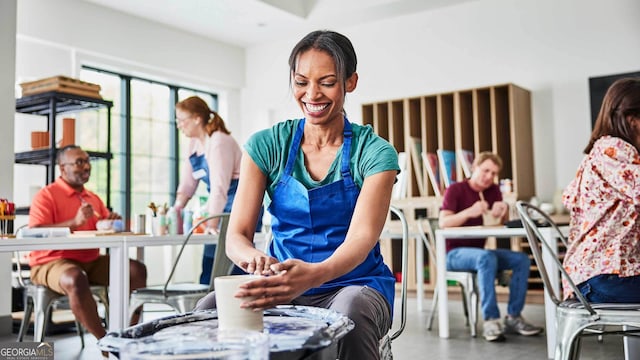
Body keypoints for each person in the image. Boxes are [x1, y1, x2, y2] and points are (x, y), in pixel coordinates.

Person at [194, 30, 399, 359]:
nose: (312, 94)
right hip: (282, 284)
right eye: (302, 81)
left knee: (351, 310)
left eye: (327, 81)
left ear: (350, 81)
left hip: (353, 284)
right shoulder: (266, 145)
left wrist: (315, 275)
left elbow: (362, 238)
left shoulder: (374, 153)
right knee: (209, 309)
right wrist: (252, 258)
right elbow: (238, 234)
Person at [28, 145, 147, 341]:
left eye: (88, 161)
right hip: (50, 262)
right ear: (62, 168)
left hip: (90, 260)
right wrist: (73, 223)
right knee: (76, 278)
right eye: (79, 162)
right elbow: (34, 232)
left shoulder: (93, 198)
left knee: (135, 270)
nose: (86, 166)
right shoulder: (46, 195)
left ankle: (128, 335)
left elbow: (102, 227)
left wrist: (111, 221)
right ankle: (106, 343)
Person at [439, 151, 542, 342]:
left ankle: (513, 316)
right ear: (474, 168)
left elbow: (498, 223)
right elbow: (443, 222)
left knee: (521, 259)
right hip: (453, 254)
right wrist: (470, 212)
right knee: (486, 258)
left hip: (480, 253)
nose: (489, 177)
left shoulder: (493, 190)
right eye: (485, 171)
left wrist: (503, 212)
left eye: (493, 173)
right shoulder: (455, 189)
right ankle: (491, 320)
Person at [562, 77, 640, 303]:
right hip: (602, 275)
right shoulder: (613, 149)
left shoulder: (606, 151)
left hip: (602, 273)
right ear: (632, 119)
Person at [173, 96, 261, 285]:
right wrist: (175, 210)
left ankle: (235, 307)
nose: (178, 125)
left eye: (182, 120)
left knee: (232, 263)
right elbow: (188, 184)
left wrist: (212, 223)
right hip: (219, 203)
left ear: (197, 118)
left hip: (240, 201)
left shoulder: (219, 141)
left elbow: (219, 186)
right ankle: (207, 307)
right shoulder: (194, 144)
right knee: (211, 265)